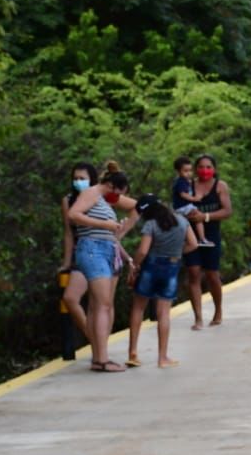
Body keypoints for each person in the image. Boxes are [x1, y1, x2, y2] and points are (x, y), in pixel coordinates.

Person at [67, 164, 135, 372]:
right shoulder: (91, 193)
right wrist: (104, 225)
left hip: (106, 249)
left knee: (98, 306)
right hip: (92, 249)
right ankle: (103, 360)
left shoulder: (103, 200)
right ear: (111, 186)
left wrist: (118, 231)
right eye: (118, 194)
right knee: (103, 304)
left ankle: (99, 356)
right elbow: (74, 214)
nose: (117, 199)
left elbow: (136, 208)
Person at [126, 194, 198, 368]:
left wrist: (134, 266)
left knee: (138, 308)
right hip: (172, 268)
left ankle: (133, 352)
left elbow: (143, 251)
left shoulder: (150, 224)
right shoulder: (182, 221)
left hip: (151, 266)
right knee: (163, 313)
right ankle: (162, 357)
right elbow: (194, 244)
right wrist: (177, 254)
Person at [182, 153, 232, 329]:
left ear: (215, 169)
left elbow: (227, 211)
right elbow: (177, 205)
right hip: (190, 235)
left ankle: (218, 310)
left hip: (212, 235)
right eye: (201, 167)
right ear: (196, 169)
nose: (205, 170)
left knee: (212, 274)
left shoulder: (220, 186)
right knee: (193, 273)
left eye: (209, 167)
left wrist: (206, 216)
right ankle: (198, 317)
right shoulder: (187, 186)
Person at [59, 162, 97, 342]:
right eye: (75, 178)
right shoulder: (68, 200)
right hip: (79, 254)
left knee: (98, 304)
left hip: (99, 252)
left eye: (82, 179)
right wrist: (67, 262)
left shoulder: (98, 197)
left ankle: (99, 346)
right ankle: (93, 339)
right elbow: (68, 233)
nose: (78, 182)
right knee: (70, 298)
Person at [170, 156, 212, 246]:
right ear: (178, 171)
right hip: (182, 207)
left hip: (183, 207)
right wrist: (195, 199)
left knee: (189, 222)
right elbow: (183, 194)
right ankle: (202, 239)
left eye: (190, 170)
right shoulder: (180, 181)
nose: (189, 173)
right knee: (198, 216)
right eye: (185, 171)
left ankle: (190, 239)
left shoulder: (185, 181)